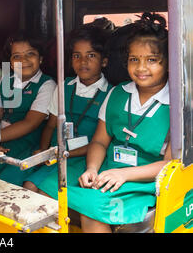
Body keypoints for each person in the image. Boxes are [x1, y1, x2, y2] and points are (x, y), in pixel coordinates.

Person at [42, 12, 171, 233]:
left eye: (152, 60)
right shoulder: (117, 94)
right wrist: (92, 168)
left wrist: (123, 175)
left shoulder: (177, 105)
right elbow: (100, 142)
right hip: (108, 172)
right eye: (134, 59)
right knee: (45, 195)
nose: (141, 68)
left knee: (92, 211)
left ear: (168, 63)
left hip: (144, 182)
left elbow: (168, 165)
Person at [24, 26, 112, 193]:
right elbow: (50, 126)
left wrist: (63, 154)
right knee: (28, 187)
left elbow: (100, 142)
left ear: (104, 61)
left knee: (46, 194)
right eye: (76, 56)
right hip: (57, 154)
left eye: (91, 55)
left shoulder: (110, 93)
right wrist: (43, 151)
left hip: (83, 159)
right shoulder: (64, 86)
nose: (83, 62)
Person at [0, 32, 56, 186]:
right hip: (1, 139)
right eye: (17, 56)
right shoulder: (3, 80)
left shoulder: (47, 85)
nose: (24, 60)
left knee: (3, 184)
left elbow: (30, 123)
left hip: (28, 142)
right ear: (11, 62)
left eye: (30, 54)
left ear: (40, 58)